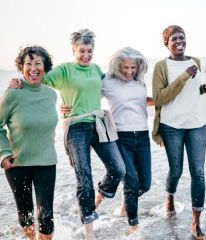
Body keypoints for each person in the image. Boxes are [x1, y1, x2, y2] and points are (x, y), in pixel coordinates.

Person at [8, 29, 125, 240]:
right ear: (73, 50)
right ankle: (89, 232)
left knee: (118, 169)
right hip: (76, 128)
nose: (86, 55)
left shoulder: (96, 69)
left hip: (98, 124)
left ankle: (99, 195)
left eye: (89, 51)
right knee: (84, 177)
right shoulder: (64, 70)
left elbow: (109, 87)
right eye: (81, 51)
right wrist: (17, 82)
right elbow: (36, 79)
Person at [61, 47, 154, 234]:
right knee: (131, 183)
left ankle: (116, 198)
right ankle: (134, 227)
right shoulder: (106, 82)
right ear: (117, 66)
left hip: (142, 135)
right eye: (125, 67)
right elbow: (88, 95)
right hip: (120, 136)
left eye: (133, 67)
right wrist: (66, 106)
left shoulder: (139, 81)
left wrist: (164, 100)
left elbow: (142, 100)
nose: (129, 72)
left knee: (144, 184)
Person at [152, 25, 206, 239]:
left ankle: (196, 223)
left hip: (196, 123)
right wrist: (184, 76)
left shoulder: (194, 61)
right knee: (176, 171)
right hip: (172, 126)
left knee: (198, 173)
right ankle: (170, 196)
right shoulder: (161, 66)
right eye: (174, 39)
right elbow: (159, 98)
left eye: (182, 37)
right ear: (167, 43)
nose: (179, 41)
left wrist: (202, 90)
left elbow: (190, 91)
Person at [0, 46, 58, 240]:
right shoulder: (13, 94)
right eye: (28, 64)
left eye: (38, 63)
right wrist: (3, 153)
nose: (33, 68)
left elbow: (47, 121)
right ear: (22, 68)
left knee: (46, 216)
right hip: (17, 164)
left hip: (46, 162)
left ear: (45, 67)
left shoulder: (51, 95)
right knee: (26, 215)